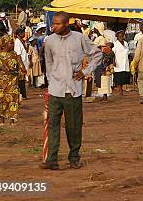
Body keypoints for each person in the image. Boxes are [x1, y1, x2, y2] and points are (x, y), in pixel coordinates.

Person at [41, 11, 102, 170]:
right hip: (55, 90)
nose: (54, 26)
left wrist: (85, 71)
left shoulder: (79, 38)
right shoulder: (50, 41)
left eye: (57, 24)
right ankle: (52, 160)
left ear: (66, 24)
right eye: (53, 23)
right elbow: (48, 63)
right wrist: (50, 81)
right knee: (53, 125)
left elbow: (97, 55)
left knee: (73, 127)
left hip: (73, 91)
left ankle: (74, 158)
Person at [0, 35, 24, 125]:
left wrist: (21, 69)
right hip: (3, 81)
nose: (12, 45)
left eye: (13, 43)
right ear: (5, 44)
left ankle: (12, 120)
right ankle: (2, 119)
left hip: (14, 80)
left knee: (13, 99)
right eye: (11, 43)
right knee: (3, 99)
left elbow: (18, 64)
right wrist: (12, 71)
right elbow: (1, 66)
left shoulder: (14, 53)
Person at [112, 30, 130, 96]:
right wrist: (113, 61)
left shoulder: (125, 43)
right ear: (117, 37)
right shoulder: (115, 44)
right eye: (119, 36)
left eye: (122, 36)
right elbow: (113, 54)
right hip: (118, 62)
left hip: (125, 62)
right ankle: (120, 90)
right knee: (118, 76)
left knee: (123, 76)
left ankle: (122, 88)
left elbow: (128, 52)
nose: (121, 37)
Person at [13, 28, 29, 100]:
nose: (24, 34)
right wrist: (22, 65)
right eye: (22, 32)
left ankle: (23, 94)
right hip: (20, 64)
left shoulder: (21, 41)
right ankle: (23, 95)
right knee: (21, 80)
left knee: (22, 80)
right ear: (19, 34)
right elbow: (18, 55)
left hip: (24, 63)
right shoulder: (17, 42)